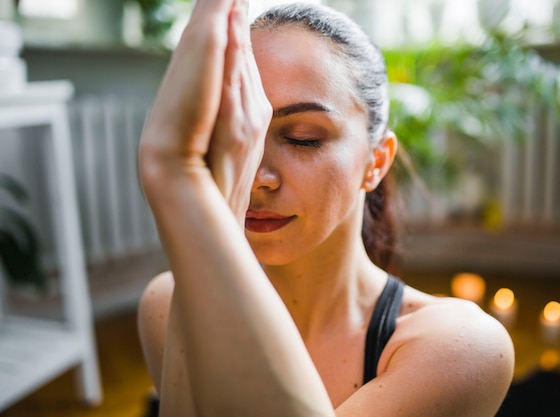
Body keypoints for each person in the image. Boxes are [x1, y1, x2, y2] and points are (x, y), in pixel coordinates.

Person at [137, 0, 515, 415]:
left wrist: (178, 179)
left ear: (376, 161)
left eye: (302, 138)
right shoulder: (166, 303)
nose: (258, 177)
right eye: (236, 138)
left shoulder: (462, 346)